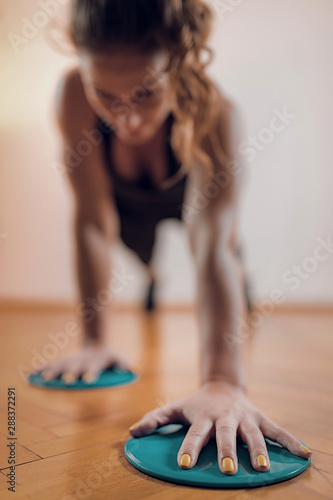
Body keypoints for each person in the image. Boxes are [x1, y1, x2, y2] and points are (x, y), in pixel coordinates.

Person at [43, 0, 312, 475]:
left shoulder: (215, 113)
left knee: (225, 257)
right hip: (126, 211)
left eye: (146, 94)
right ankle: (152, 276)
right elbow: (91, 220)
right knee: (144, 259)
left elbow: (212, 246)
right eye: (106, 95)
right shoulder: (71, 94)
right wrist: (93, 339)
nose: (126, 120)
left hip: (192, 204)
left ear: (178, 64)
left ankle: (237, 304)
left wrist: (223, 382)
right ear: (82, 70)